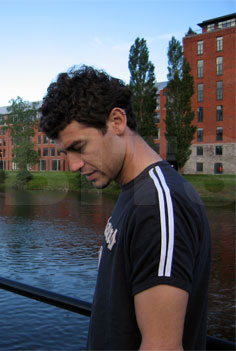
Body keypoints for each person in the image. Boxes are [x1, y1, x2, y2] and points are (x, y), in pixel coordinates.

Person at [39, 65, 211, 350]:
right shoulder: (134, 191)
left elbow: (162, 346)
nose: (73, 165)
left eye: (79, 147)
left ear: (117, 121)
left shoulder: (159, 203)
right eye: (66, 152)